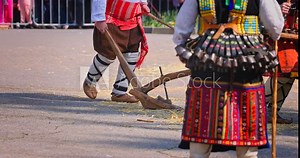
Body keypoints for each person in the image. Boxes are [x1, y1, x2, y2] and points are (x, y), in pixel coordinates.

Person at [173, 0, 284, 157]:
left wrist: (182, 46)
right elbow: (275, 28)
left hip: (207, 59)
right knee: (247, 120)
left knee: (203, 117)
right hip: (247, 61)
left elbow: (182, 29)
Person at [83, 0, 150, 103]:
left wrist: (143, 4)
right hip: (111, 19)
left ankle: (119, 92)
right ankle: (90, 82)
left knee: (131, 56)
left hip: (132, 19)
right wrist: (99, 18)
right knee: (107, 55)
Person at [264, 0, 298, 124]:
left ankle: (273, 111)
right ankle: (257, 104)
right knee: (285, 71)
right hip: (279, 33)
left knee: (293, 73)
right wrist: (278, 8)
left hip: (293, 33)